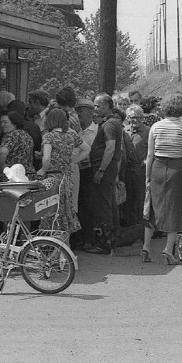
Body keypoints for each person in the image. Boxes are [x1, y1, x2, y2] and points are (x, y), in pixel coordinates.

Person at [141, 93, 182, 264]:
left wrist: (147, 177)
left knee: (152, 207)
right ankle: (167, 249)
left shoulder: (156, 127)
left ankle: (146, 246)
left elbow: (150, 154)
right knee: (175, 208)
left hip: (157, 167)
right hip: (178, 168)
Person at [35, 108, 88, 244]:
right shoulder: (71, 135)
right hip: (67, 177)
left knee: (51, 211)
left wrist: (42, 170)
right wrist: (72, 161)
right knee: (65, 211)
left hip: (53, 178)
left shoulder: (49, 136)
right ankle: (65, 248)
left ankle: (53, 248)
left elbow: (47, 158)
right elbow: (87, 149)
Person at [85, 93, 123, 253]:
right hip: (109, 169)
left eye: (97, 106)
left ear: (106, 107)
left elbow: (111, 148)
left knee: (104, 205)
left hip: (104, 169)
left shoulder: (109, 125)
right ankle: (112, 239)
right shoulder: (112, 123)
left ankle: (105, 243)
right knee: (109, 203)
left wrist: (101, 170)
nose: (95, 109)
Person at [73, 98, 98, 248]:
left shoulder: (96, 131)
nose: (78, 116)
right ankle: (79, 238)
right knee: (77, 206)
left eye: (80, 113)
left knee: (87, 206)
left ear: (89, 114)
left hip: (88, 171)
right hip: (77, 171)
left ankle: (88, 238)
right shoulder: (76, 131)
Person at [123, 104, 149, 227]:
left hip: (141, 169)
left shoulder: (148, 131)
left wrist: (145, 162)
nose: (135, 120)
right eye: (132, 117)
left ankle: (141, 225)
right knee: (128, 198)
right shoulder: (124, 131)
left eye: (139, 117)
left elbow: (152, 151)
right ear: (128, 118)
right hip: (126, 169)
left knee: (140, 198)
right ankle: (130, 225)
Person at [0, 111, 35, 181]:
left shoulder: (11, 136)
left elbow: (3, 152)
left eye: (5, 122)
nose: (2, 125)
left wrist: (2, 168)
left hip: (13, 177)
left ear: (15, 123)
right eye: (1, 122)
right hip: (28, 174)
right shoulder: (27, 136)